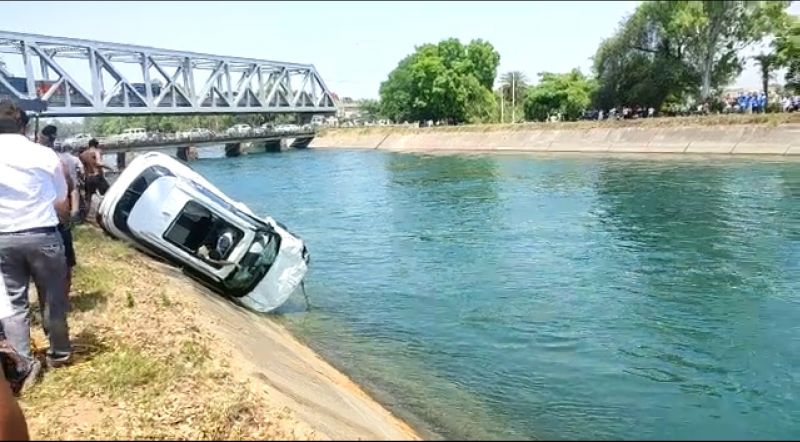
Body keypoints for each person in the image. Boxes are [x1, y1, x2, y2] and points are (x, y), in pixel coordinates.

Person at [0, 100, 72, 374]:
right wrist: (63, 225)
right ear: (25, 125)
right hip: (42, 233)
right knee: (53, 298)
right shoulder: (43, 154)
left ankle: (23, 365)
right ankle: (59, 356)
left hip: (4, 238)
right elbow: (61, 200)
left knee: (14, 304)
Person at [38, 125, 79, 307]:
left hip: (59, 221)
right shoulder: (30, 159)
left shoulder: (60, 161)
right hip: (40, 221)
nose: (49, 140)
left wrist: (74, 211)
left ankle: (62, 300)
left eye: (51, 137)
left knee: (66, 264)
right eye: (46, 136)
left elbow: (73, 188)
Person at [79, 138, 113, 208]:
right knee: (108, 194)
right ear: (96, 145)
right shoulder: (96, 151)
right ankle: (105, 210)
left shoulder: (83, 155)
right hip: (97, 177)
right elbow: (98, 163)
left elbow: (82, 168)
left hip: (88, 178)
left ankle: (85, 215)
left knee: (88, 198)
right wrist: (110, 167)